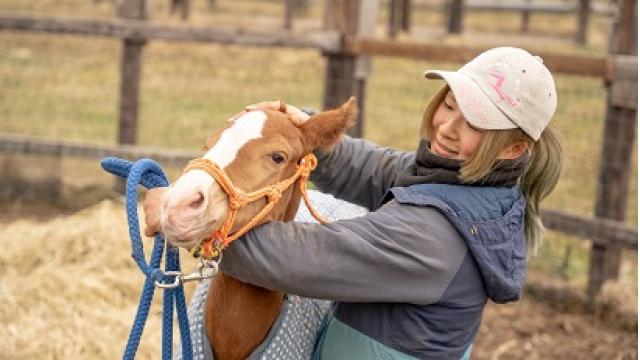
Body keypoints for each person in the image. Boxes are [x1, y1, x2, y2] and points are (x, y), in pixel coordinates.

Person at [145, 47, 563, 359]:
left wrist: (179, 215)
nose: (446, 128)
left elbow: (290, 258)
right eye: (448, 106)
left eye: (473, 124)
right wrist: (300, 128)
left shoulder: (434, 237)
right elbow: (374, 168)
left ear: (511, 149)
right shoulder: (469, 182)